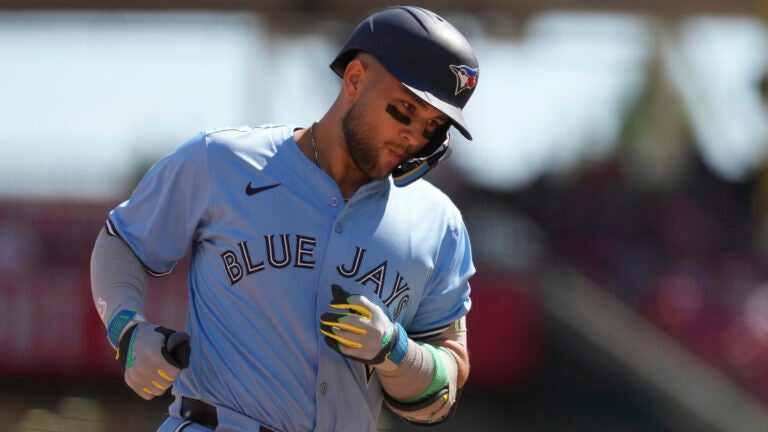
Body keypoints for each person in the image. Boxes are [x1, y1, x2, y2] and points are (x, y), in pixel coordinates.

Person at [90, 5, 479, 431]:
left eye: (432, 126)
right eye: (404, 110)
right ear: (354, 79)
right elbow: (123, 242)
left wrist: (396, 352)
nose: (413, 136)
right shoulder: (223, 160)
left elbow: (444, 385)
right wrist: (126, 328)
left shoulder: (439, 224)